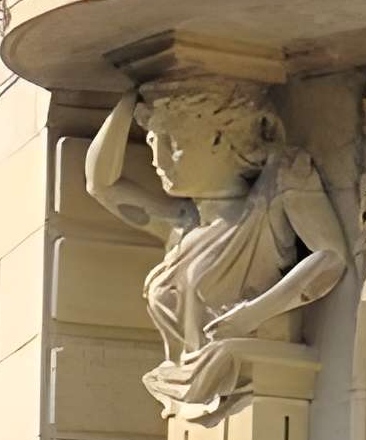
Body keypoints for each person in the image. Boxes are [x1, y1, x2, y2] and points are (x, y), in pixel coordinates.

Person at [84, 77, 348, 417]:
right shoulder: (182, 224)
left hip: (255, 384)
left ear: (219, 137)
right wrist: (131, 97)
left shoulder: (275, 191)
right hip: (191, 387)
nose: (158, 159)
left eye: (173, 143)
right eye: (152, 142)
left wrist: (254, 313)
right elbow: (100, 184)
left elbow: (331, 257)